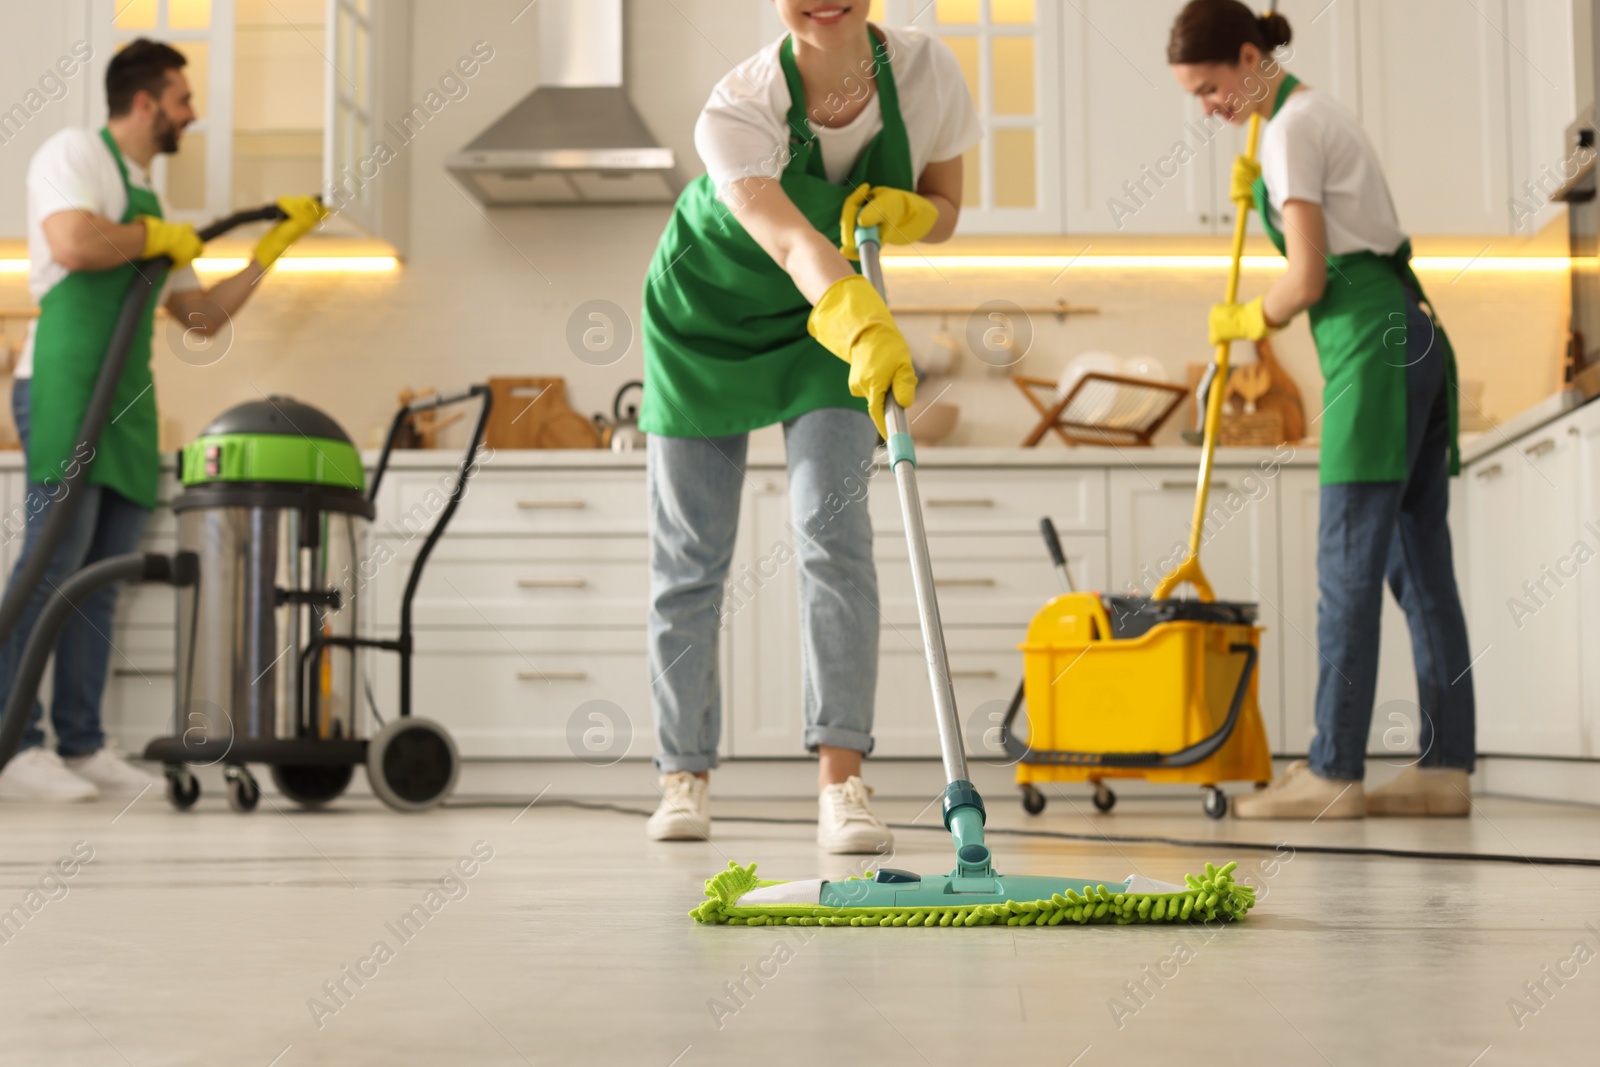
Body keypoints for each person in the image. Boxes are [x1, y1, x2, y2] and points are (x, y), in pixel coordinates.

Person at [637, 2, 981, 850]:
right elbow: (793, 245)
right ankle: (684, 776)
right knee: (691, 557)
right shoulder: (737, 109)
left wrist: (906, 215)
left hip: (820, 322)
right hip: (707, 320)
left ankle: (842, 784)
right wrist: (862, 320)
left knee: (834, 538)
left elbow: (946, 205)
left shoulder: (928, 73)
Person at [1168, 1, 1476, 818]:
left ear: (1246, 57)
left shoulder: (1289, 130)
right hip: (1412, 333)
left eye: (1209, 88)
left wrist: (1247, 319)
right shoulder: (1309, 114)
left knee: (1347, 567)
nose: (1207, 108)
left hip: (1371, 349)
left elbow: (1305, 280)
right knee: (1422, 572)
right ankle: (1447, 770)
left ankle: (1334, 769)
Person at [0, 39, 327, 801]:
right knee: (51, 565)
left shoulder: (152, 202)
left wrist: (270, 251)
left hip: (125, 399)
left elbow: (202, 317)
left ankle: (81, 744)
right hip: (64, 383)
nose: (192, 112)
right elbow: (72, 243)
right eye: (183, 98)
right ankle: (16, 745)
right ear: (145, 102)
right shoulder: (74, 153)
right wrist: (156, 239)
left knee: (100, 578)